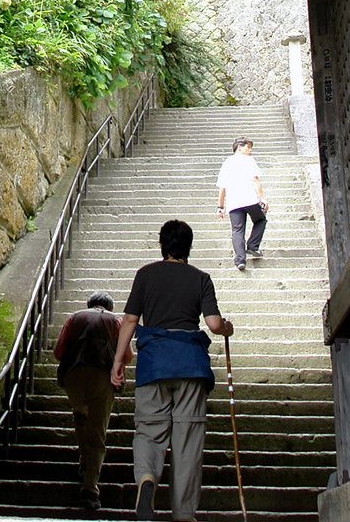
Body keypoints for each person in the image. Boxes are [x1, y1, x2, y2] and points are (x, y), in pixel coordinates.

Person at [111, 220, 235, 522]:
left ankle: (147, 479)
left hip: (154, 363)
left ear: (162, 245)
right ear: (188, 248)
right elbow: (215, 324)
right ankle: (183, 513)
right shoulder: (201, 278)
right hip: (190, 363)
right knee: (188, 438)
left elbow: (129, 320)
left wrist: (118, 361)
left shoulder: (145, 275)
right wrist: (227, 329)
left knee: (149, 430)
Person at [55, 291, 121, 512]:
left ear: (89, 304)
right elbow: (127, 356)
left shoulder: (74, 318)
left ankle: (84, 462)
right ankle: (90, 489)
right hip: (102, 376)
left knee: (80, 417)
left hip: (74, 376)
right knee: (97, 431)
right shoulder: (115, 321)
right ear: (108, 307)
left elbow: (58, 352)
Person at [216, 137, 267, 271]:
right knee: (261, 220)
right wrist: (262, 198)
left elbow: (222, 187)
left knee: (237, 230)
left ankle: (240, 260)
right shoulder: (248, 160)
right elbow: (255, 180)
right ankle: (252, 246)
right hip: (249, 199)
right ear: (239, 147)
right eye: (248, 147)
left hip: (233, 202)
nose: (250, 150)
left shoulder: (227, 163)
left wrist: (220, 207)